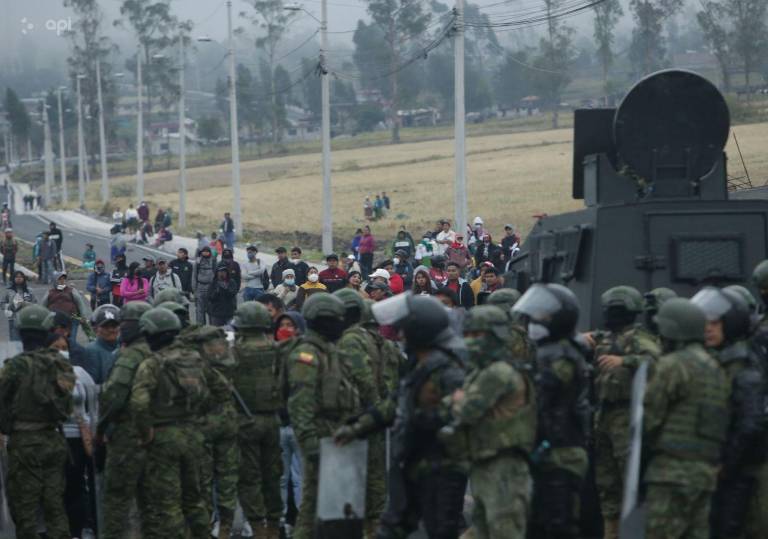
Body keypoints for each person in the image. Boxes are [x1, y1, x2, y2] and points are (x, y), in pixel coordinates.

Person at [334, 294, 467, 539]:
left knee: (442, 529)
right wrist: (356, 428)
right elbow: (393, 405)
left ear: (420, 331)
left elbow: (461, 417)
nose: (400, 336)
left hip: (441, 468)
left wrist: (424, 419)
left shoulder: (449, 371)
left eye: (404, 330)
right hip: (412, 462)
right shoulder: (420, 366)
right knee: (392, 528)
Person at [446, 305, 537, 539]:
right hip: (484, 461)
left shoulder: (497, 372)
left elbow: (465, 410)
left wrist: (457, 400)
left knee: (503, 531)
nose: (470, 342)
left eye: (477, 336)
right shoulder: (482, 370)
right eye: (467, 336)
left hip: (504, 466)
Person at [642, 298, 729, 539]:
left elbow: (650, 419)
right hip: (704, 475)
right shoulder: (715, 368)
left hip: (670, 473)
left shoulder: (671, 365)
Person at [512, 283, 591, 539]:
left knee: (558, 523)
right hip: (549, 449)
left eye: (543, 316)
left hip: (560, 452)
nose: (536, 321)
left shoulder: (561, 357)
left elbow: (541, 398)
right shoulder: (555, 351)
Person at [691, 287, 767, 538]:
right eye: (704, 323)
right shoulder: (714, 363)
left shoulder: (743, 368)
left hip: (745, 470)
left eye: (714, 323)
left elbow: (750, 424)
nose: (708, 329)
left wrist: (726, 465)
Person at [130, 307, 211, 539]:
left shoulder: (152, 364)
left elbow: (138, 403)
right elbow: (207, 395)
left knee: (168, 503)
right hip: (192, 435)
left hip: (164, 438)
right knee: (195, 500)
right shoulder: (194, 359)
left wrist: (146, 433)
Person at [588, 286, 661, 538]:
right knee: (607, 484)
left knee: (631, 481)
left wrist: (625, 361)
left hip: (627, 416)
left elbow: (655, 362)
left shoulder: (640, 339)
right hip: (603, 416)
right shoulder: (604, 338)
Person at [0, 305, 75, 539]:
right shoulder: (61, 364)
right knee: (55, 506)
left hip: (23, 443)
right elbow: (67, 405)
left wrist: (6, 427)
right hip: (54, 439)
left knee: (25, 509)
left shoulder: (14, 366)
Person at [286, 294, 357, 539]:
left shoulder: (329, 350)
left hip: (335, 437)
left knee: (329, 507)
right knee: (313, 505)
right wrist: (310, 445)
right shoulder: (307, 354)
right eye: (336, 319)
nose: (340, 324)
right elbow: (301, 403)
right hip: (320, 440)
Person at [333, 289, 389, 536]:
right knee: (375, 485)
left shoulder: (351, 340)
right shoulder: (376, 340)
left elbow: (362, 378)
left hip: (355, 420)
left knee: (350, 492)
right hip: (373, 419)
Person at [97, 300, 153, 539]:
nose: (121, 328)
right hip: (154, 436)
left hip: (127, 439)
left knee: (116, 502)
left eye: (125, 324)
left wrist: (100, 431)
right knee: (150, 503)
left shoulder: (130, 356)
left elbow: (113, 397)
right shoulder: (157, 352)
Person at [232, 302, 284, 539]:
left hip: (245, 421)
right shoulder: (276, 349)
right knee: (272, 474)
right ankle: (274, 523)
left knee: (249, 477)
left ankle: (258, 527)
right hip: (272, 420)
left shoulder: (235, 351)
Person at [57, 332, 98, 539]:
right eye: (56, 349)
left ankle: (78, 530)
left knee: (77, 486)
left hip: (78, 440)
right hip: (53, 440)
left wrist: (93, 435)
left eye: (64, 349)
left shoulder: (80, 373)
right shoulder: (39, 374)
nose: (61, 353)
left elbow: (93, 406)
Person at [43, 271, 91, 344]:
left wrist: (83, 316)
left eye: (63, 279)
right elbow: (43, 305)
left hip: (72, 318)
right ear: (55, 281)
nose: (62, 281)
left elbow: (80, 303)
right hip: (56, 321)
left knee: (71, 341)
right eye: (60, 279)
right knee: (56, 341)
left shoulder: (71, 290)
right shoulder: (50, 292)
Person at [83, 304, 122, 385]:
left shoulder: (125, 348)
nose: (111, 330)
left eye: (114, 326)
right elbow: (91, 385)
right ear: (96, 328)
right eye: (105, 326)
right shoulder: (91, 351)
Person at [2, 270, 37, 341]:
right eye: (16, 277)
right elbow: (2, 304)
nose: (19, 278)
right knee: (15, 341)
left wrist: (27, 304)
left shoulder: (29, 291)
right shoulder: (8, 291)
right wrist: (10, 306)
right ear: (13, 278)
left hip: (27, 319)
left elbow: (36, 304)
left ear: (24, 278)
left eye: (21, 277)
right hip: (13, 319)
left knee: (27, 341)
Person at [194, 246, 216, 324]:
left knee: (211, 309)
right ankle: (200, 328)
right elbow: (194, 275)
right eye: (204, 251)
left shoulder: (213, 260)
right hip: (200, 286)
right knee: (199, 309)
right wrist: (194, 290)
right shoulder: (198, 261)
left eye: (207, 251)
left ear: (210, 252)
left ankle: (211, 328)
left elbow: (216, 274)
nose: (205, 252)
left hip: (210, 287)